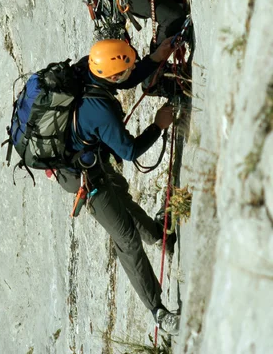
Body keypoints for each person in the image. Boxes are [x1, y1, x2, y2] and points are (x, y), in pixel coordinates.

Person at [55, 38, 181, 335]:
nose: (132, 68)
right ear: (111, 74)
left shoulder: (90, 67)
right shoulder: (100, 111)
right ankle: (158, 312)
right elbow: (130, 151)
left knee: (121, 197)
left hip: (88, 159)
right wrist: (159, 125)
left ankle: (160, 237)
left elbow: (122, 80)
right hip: (85, 180)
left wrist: (153, 58)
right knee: (126, 238)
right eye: (129, 67)